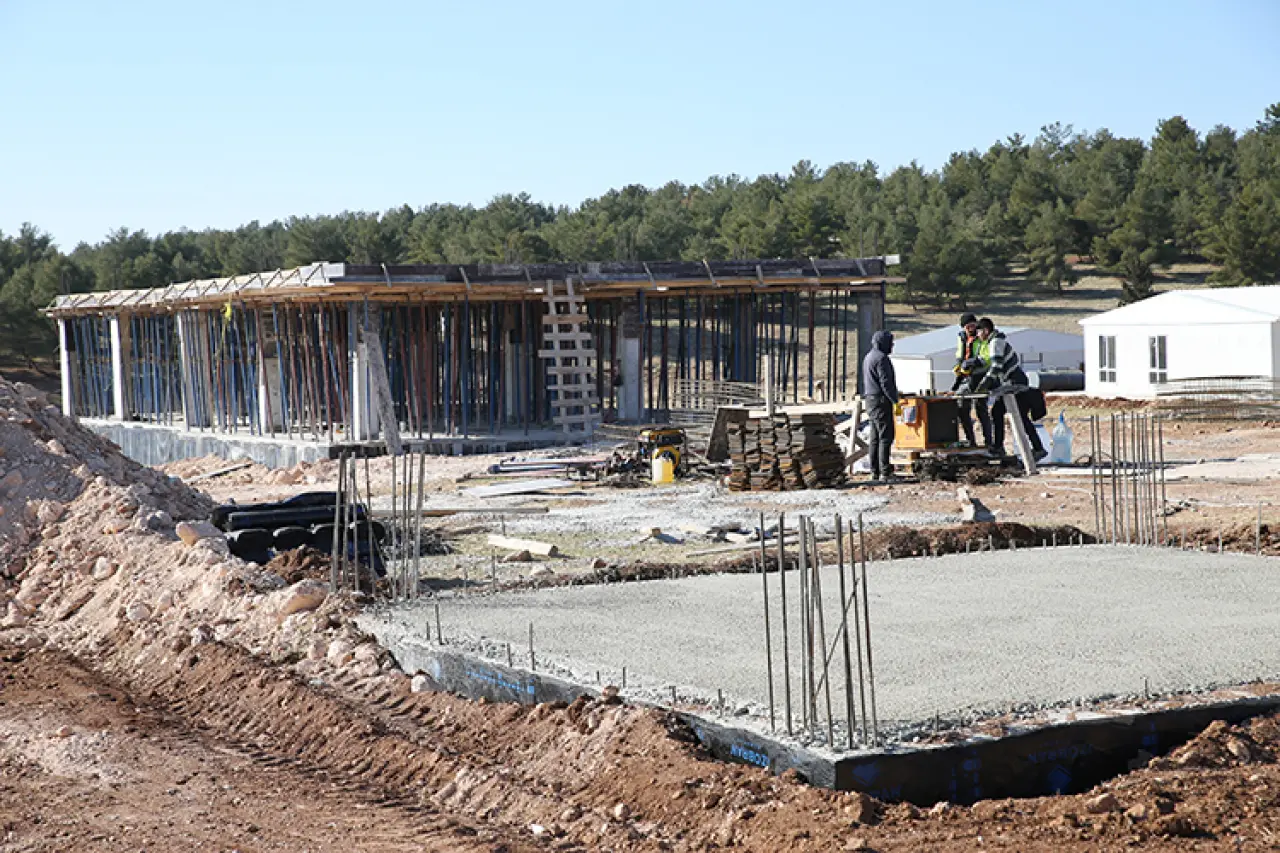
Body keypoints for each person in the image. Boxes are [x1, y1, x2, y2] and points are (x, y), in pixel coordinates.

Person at [974, 318, 1047, 461]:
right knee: (1003, 413)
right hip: (1011, 383)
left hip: (1015, 384)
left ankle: (1034, 449)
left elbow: (996, 366)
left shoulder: (995, 343)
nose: (977, 335)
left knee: (1013, 415)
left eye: (979, 331)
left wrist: (984, 384)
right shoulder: (994, 341)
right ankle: (1006, 447)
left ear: (986, 330)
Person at [861, 330, 900, 481]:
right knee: (885, 436)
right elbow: (886, 383)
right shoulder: (882, 359)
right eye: (890, 343)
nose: (892, 346)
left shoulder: (868, 357)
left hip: (870, 400)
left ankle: (874, 471)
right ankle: (885, 472)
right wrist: (895, 400)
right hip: (881, 400)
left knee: (875, 437)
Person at [951, 312, 993, 450]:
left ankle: (988, 442)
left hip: (980, 377)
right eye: (967, 326)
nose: (971, 328)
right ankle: (971, 440)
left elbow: (987, 357)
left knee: (981, 409)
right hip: (966, 378)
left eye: (972, 325)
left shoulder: (982, 336)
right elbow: (960, 354)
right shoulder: (961, 338)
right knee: (961, 408)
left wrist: (974, 362)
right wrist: (959, 365)